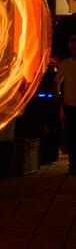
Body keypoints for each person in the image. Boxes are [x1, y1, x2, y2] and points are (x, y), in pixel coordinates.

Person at [56, 36, 76, 173]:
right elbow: (57, 82)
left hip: (70, 103)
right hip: (70, 104)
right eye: (73, 46)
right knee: (72, 134)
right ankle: (73, 163)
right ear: (70, 47)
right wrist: (57, 96)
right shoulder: (65, 64)